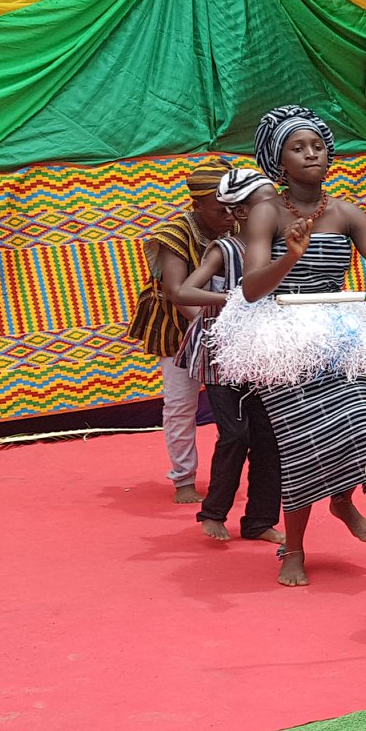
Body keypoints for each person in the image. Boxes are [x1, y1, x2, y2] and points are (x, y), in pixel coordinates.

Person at [211, 105, 366, 587]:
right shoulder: (266, 212)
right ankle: (294, 550)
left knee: (360, 424)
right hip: (281, 334)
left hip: (336, 334)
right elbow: (254, 287)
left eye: (317, 145)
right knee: (299, 445)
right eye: (297, 147)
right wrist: (290, 258)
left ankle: (342, 499)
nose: (311, 153)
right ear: (279, 160)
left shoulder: (346, 213)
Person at [175, 167, 284, 544]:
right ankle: (214, 513)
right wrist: (234, 299)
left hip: (262, 357)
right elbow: (184, 291)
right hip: (221, 358)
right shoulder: (225, 250)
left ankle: (259, 520)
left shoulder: (284, 248)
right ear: (240, 213)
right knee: (235, 434)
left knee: (269, 439)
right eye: (263, 203)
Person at [130, 166, 239, 506]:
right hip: (179, 330)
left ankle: (234, 480)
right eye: (219, 207)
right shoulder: (174, 236)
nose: (228, 214)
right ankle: (184, 480)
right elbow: (177, 294)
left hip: (229, 328)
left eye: (232, 205)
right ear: (197, 205)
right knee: (180, 405)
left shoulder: (240, 228)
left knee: (237, 412)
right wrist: (212, 327)